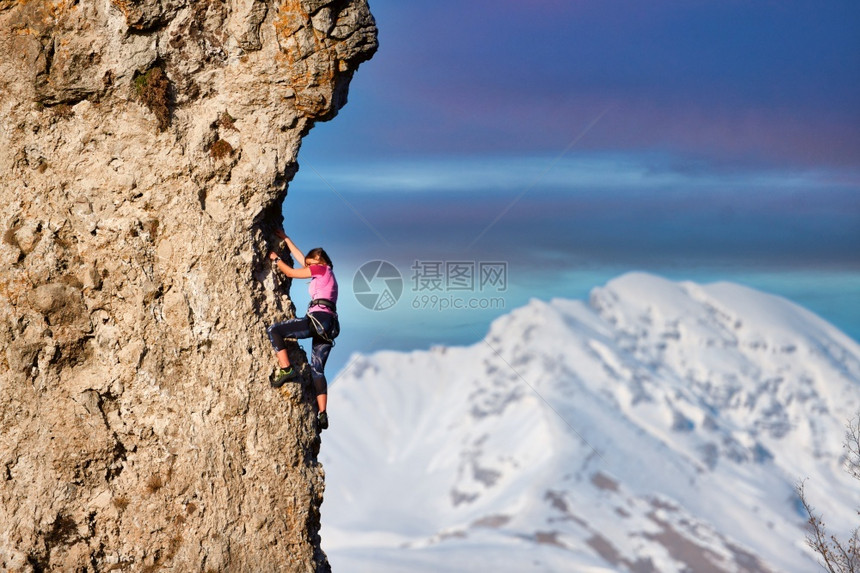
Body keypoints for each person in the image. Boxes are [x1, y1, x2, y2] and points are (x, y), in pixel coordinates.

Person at [266, 228, 339, 430]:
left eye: (310, 263)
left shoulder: (321, 269)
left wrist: (276, 259)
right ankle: (322, 413)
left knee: (274, 330)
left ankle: (286, 369)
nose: (307, 265)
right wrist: (287, 239)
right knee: (317, 370)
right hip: (329, 325)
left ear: (319, 261)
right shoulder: (327, 274)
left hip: (317, 319)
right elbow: (302, 260)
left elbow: (290, 271)